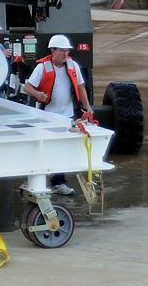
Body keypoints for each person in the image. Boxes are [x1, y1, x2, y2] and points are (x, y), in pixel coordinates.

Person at [23, 34, 94, 195]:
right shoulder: (42, 67)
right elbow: (27, 87)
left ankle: (59, 182)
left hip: (66, 116)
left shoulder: (73, 66)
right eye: (62, 51)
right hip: (46, 115)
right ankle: (35, 179)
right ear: (53, 51)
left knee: (62, 149)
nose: (66, 54)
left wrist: (87, 107)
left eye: (67, 51)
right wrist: (38, 95)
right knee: (42, 147)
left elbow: (81, 87)